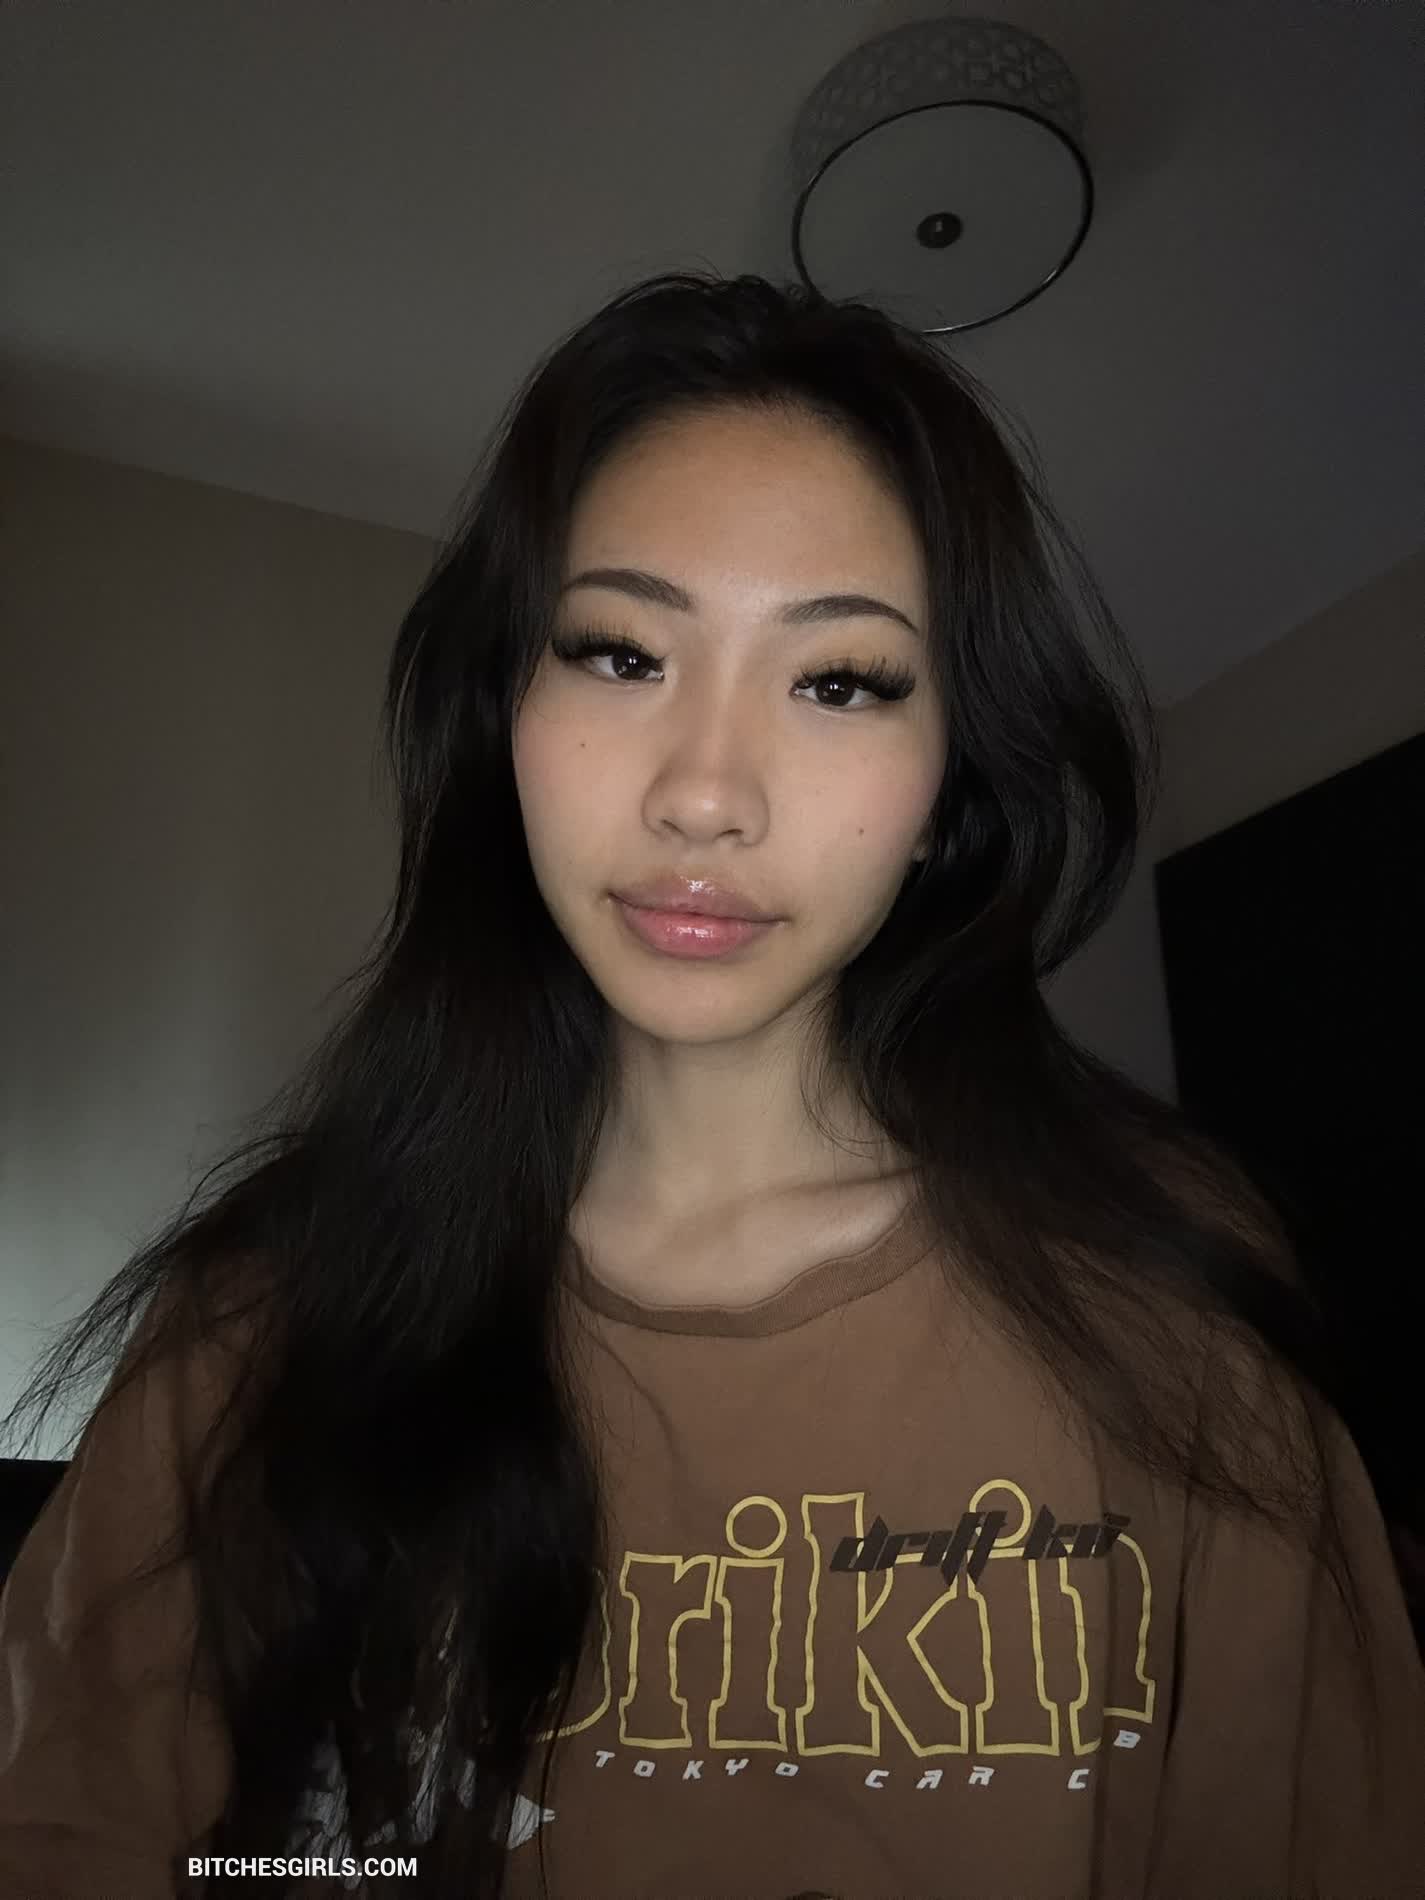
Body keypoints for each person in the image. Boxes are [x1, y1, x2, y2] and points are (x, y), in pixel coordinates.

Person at [1, 271, 1422, 1900]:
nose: (703, 793)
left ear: (948, 780)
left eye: (839, 680)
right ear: (504, 711)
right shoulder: (258, 1323)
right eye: (619, 653)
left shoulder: (1162, 1302)